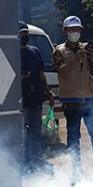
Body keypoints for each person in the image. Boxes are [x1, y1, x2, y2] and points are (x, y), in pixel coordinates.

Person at [52, 16, 93, 172]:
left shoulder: (87, 48)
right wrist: (76, 59)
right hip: (71, 101)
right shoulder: (59, 51)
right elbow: (61, 72)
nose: (75, 32)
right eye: (72, 29)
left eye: (77, 29)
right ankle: (76, 169)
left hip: (89, 99)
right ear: (65, 31)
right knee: (73, 137)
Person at [19, 22, 54, 172]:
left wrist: (48, 92)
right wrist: (21, 78)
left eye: (26, 33)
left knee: (35, 133)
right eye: (22, 34)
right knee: (21, 134)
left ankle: (36, 161)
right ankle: (24, 162)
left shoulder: (35, 51)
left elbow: (41, 74)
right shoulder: (11, 53)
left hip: (36, 99)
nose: (25, 36)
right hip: (21, 101)